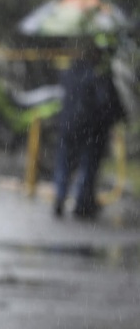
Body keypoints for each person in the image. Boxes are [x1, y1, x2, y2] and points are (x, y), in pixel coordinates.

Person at [52, 33, 126, 219]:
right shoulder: (98, 75)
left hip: (68, 125)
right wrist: (115, 117)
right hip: (90, 128)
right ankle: (82, 203)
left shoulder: (70, 71)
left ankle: (60, 196)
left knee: (65, 162)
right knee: (88, 164)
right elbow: (106, 102)